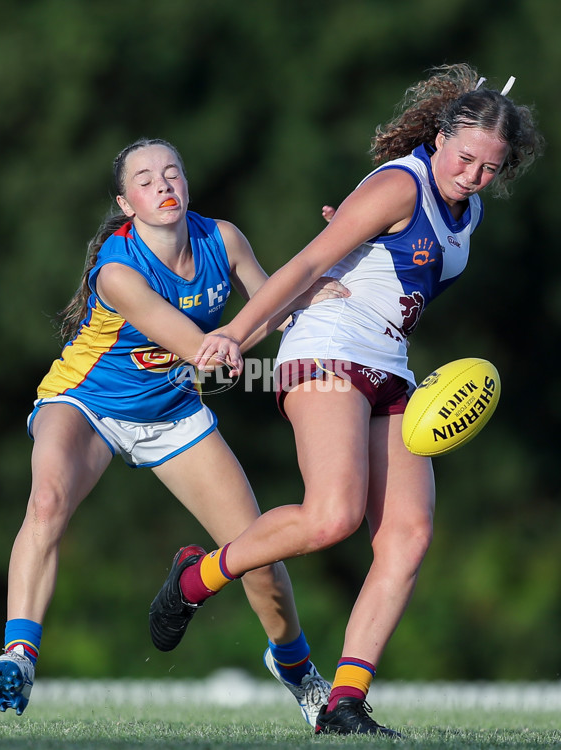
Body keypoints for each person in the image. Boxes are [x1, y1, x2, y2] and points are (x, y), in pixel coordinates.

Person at [150, 64, 544, 736]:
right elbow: (306, 265)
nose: (474, 174)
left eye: (490, 166)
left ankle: (345, 703)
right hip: (328, 349)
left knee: (408, 537)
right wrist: (238, 334)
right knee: (333, 516)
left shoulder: (468, 207)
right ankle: (199, 573)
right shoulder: (399, 184)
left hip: (391, 365)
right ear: (443, 136)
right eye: (466, 157)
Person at [0, 137, 351, 723]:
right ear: (127, 203)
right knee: (47, 500)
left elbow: (272, 302)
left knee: (258, 554)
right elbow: (202, 348)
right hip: (86, 403)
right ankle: (20, 654)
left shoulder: (222, 239)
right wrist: (286, 309)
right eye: (146, 179)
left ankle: (298, 671)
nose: (163, 185)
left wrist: (322, 293)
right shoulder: (118, 268)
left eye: (172, 173)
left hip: (173, 414)